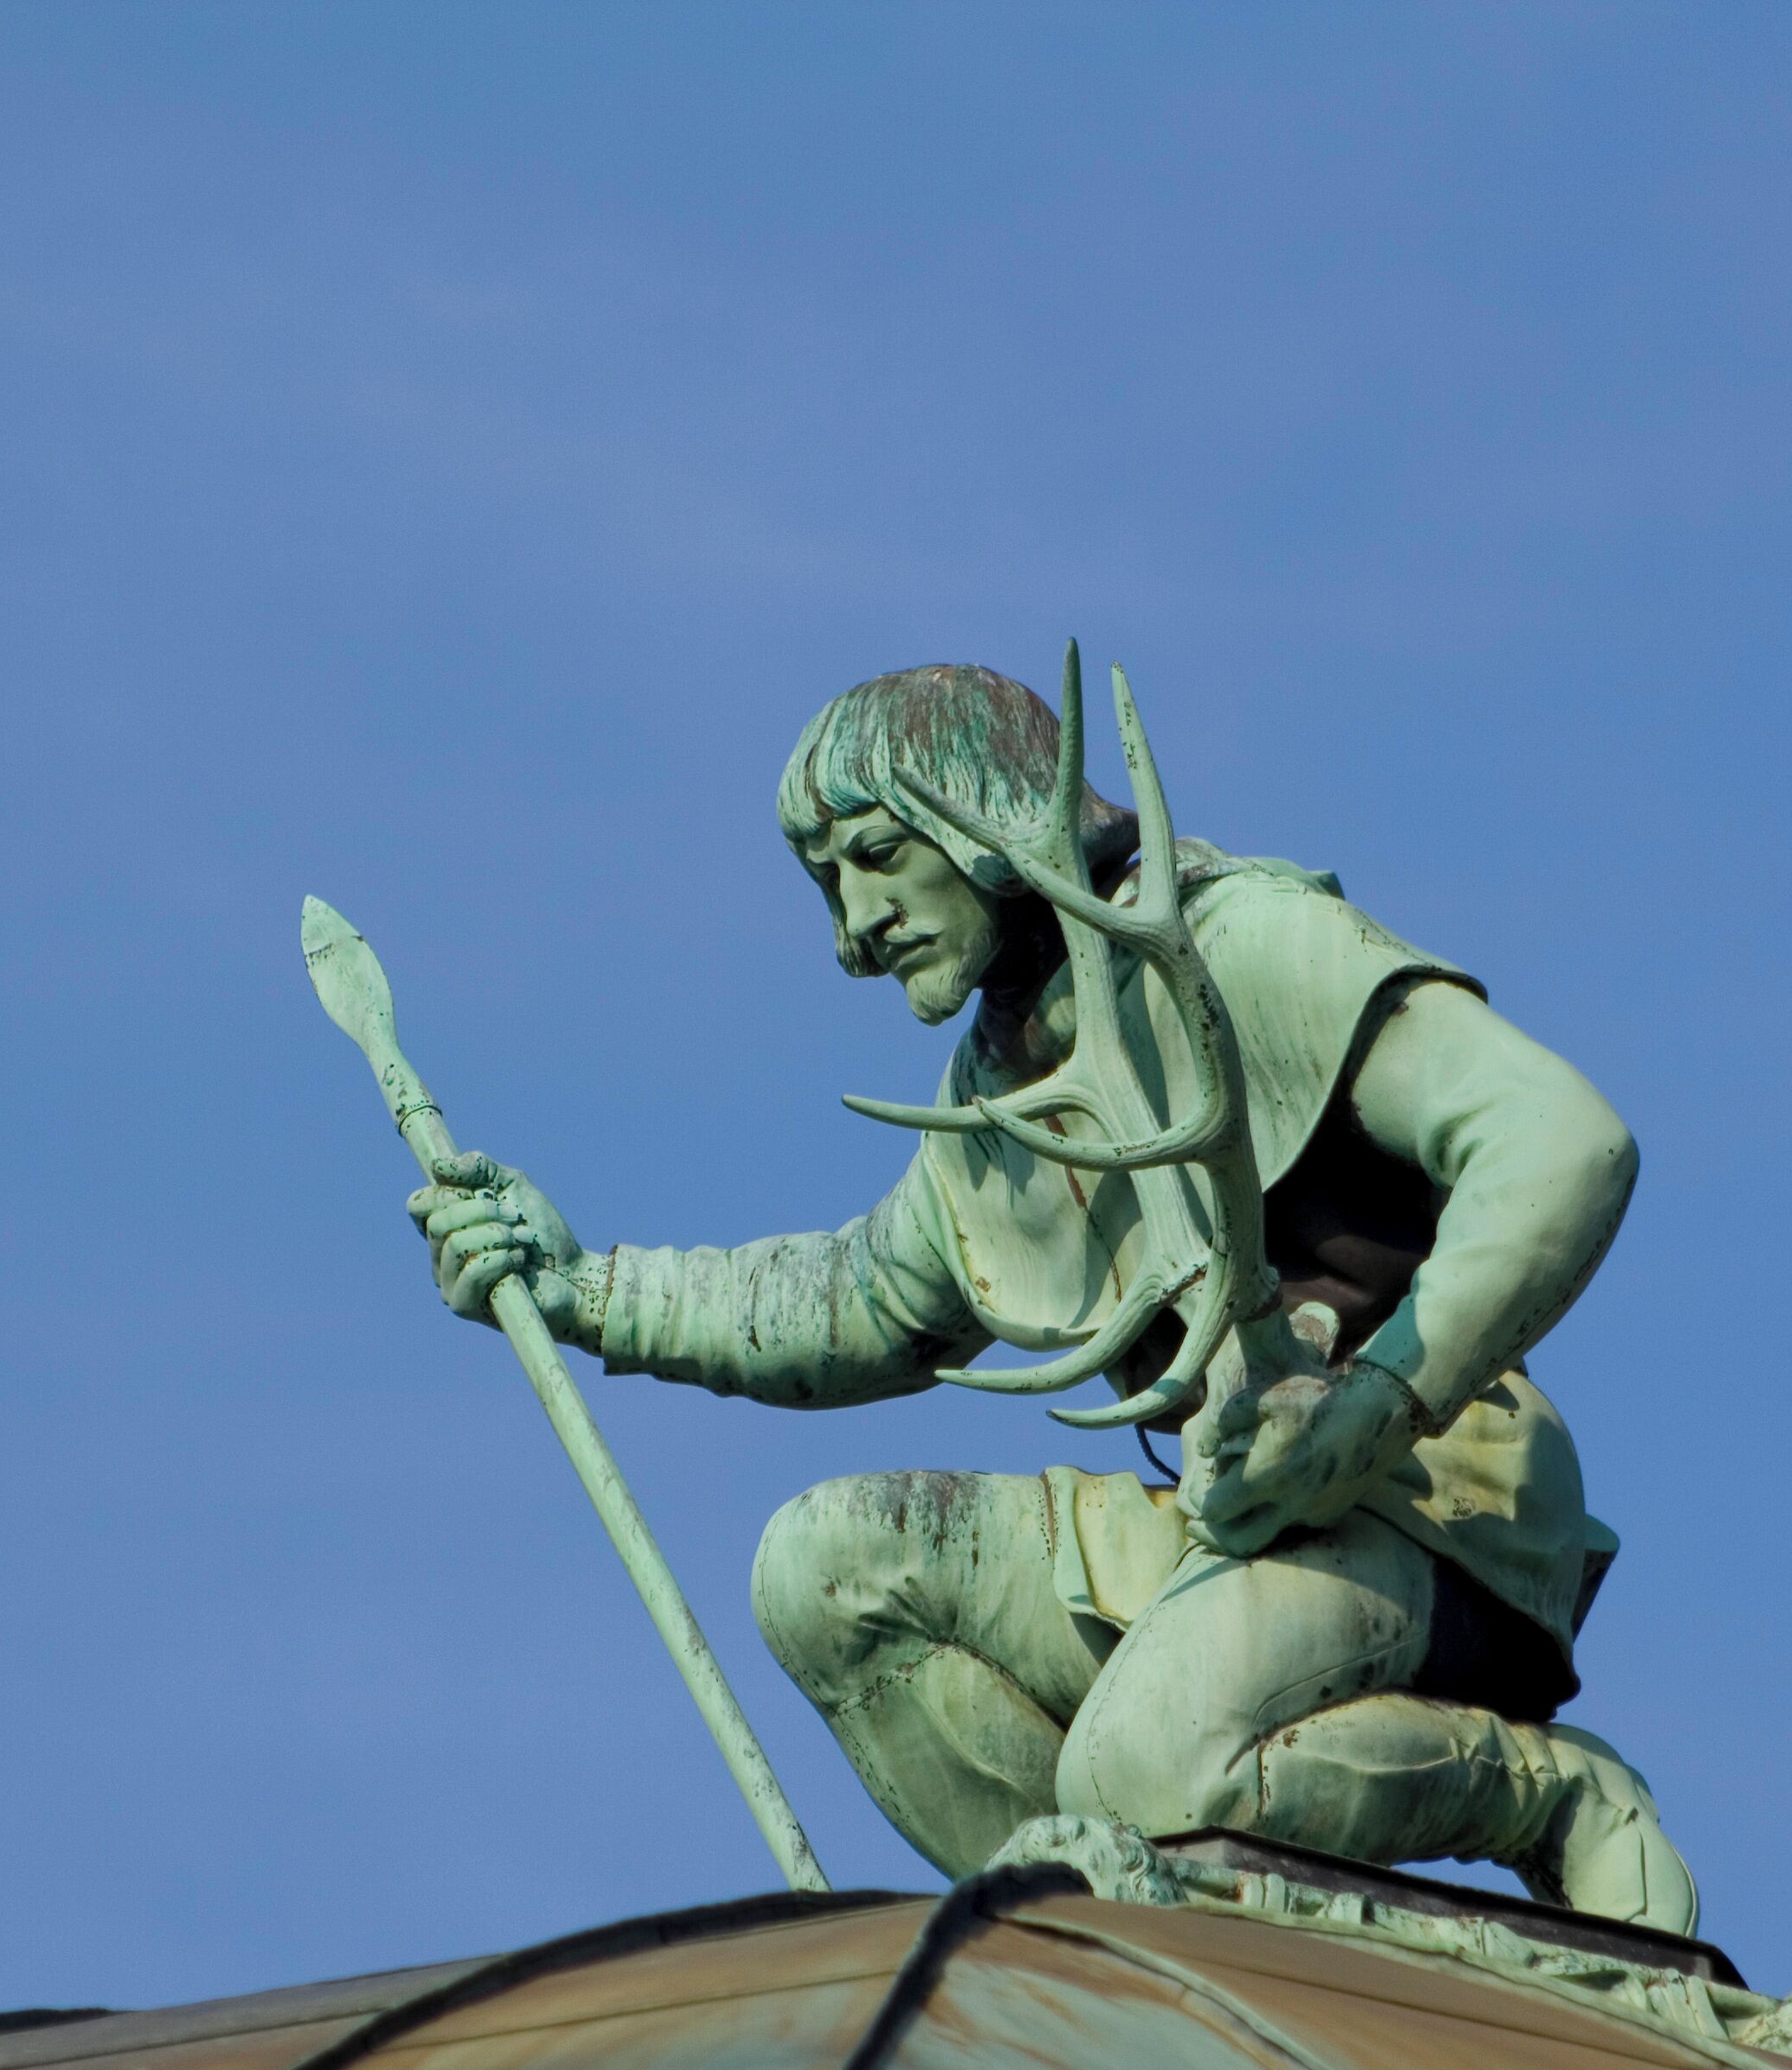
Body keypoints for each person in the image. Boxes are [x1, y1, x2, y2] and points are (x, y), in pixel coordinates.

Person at [408, 663, 1698, 1929]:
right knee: (825, 1572)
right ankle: (1093, 1936)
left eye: (870, 855)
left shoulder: (1234, 940)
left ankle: (1547, 1799)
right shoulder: (1001, 1089)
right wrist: (584, 1288)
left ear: (975, 810)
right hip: (1225, 1526)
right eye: (825, 886)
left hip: (1435, 1506)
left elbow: (1559, 1142)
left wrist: (1377, 1395)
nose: (852, 932)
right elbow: (861, 1300)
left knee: (1138, 1772)